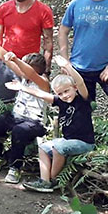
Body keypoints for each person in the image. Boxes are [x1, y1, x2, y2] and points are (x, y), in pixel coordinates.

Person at [6, 56, 95, 193]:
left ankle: (53, 181)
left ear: (74, 88)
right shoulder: (60, 101)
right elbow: (40, 94)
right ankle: (44, 180)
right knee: (43, 147)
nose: (64, 96)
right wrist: (21, 87)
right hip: (67, 141)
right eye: (60, 93)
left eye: (66, 91)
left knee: (58, 147)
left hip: (84, 143)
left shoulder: (82, 100)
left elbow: (81, 82)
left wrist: (68, 66)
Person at [0, 31, 50, 184]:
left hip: (34, 122)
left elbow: (29, 71)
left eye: (25, 67)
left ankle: (15, 167)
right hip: (16, 116)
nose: (22, 71)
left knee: (19, 131)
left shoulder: (42, 81)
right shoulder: (25, 76)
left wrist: (17, 61)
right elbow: (7, 60)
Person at [0, 0, 54, 102]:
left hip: (30, 66)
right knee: (5, 104)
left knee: (30, 105)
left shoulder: (43, 11)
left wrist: (46, 71)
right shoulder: (3, 9)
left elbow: (48, 43)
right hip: (6, 63)